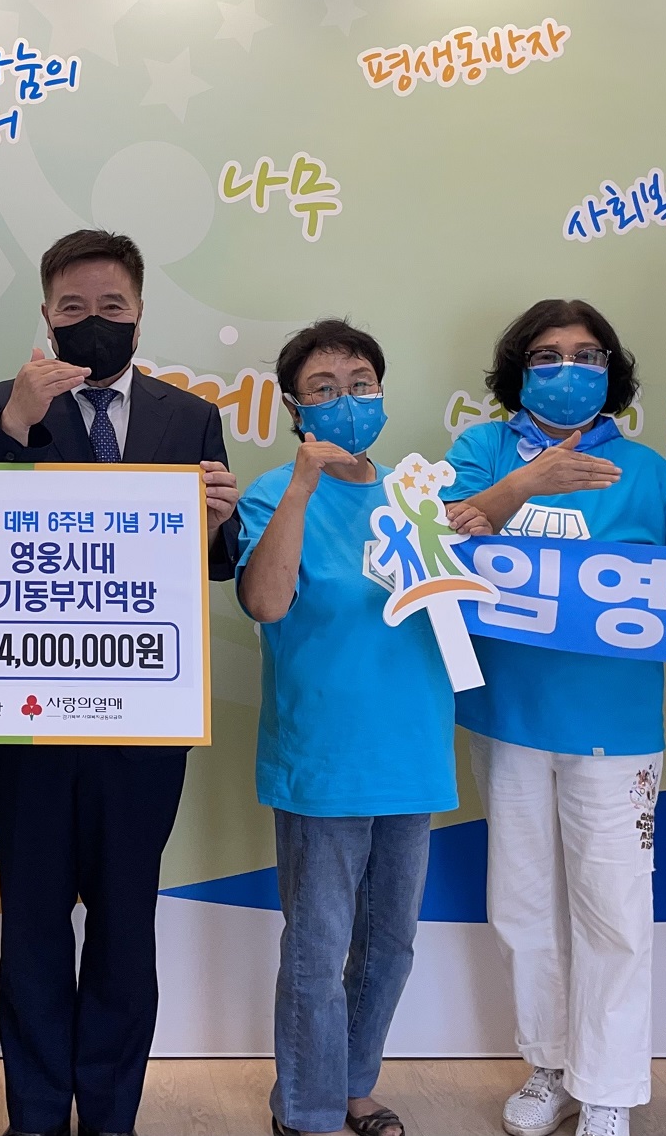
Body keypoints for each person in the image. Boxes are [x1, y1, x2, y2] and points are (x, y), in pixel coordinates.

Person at [0, 229, 241, 1136]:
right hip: (26, 719)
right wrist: (15, 419)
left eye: (111, 306)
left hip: (146, 719)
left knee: (126, 926)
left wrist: (219, 519)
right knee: (33, 926)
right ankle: (37, 1117)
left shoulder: (187, 416)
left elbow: (212, 564)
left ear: (140, 313)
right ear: (46, 315)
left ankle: (112, 1117)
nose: (93, 321)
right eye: (73, 307)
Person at [441, 300, 666, 1136]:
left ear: (611, 372)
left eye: (587, 355)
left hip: (616, 725)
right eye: (547, 354)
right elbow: (435, 543)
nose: (568, 368)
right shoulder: (482, 451)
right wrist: (524, 483)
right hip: (507, 713)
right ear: (518, 371)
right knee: (522, 903)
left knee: (613, 906)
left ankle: (610, 1086)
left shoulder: (648, 472)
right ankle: (550, 1065)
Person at [235, 319, 473, 1136]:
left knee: (389, 945)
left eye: (361, 383)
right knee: (317, 948)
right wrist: (302, 488)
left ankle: (353, 1085)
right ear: (293, 405)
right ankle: (305, 1110)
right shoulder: (273, 493)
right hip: (323, 758)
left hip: (413, 749)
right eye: (325, 388)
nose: (347, 400)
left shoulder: (417, 493)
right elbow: (267, 603)